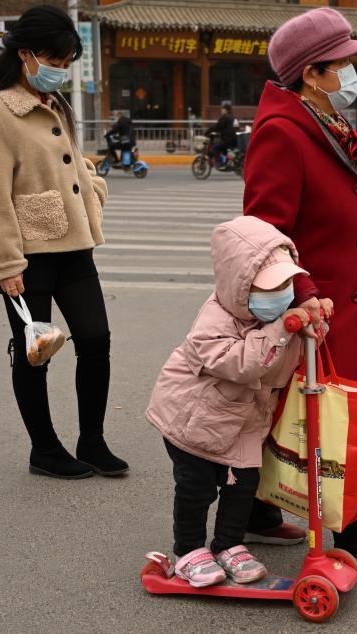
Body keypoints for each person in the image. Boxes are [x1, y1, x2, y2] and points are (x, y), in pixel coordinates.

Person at [241, 7, 357, 575]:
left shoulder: (323, 124)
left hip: (337, 300)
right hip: (310, 306)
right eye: (343, 62)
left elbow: (343, 219)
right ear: (313, 74)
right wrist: (306, 294)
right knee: (329, 412)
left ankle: (255, 511)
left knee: (290, 407)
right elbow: (265, 236)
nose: (351, 72)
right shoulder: (282, 135)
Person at [0, 5, 128, 479]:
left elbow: (71, 161)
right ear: (25, 55)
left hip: (75, 246)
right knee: (35, 351)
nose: (60, 68)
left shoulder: (55, 102)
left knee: (95, 339)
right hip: (27, 254)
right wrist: (4, 263)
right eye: (54, 58)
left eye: (66, 60)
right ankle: (45, 449)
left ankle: (92, 441)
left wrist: (92, 191)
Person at [145, 216, 316, 587]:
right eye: (270, 287)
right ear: (239, 286)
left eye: (288, 284)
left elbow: (288, 356)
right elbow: (242, 363)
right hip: (194, 421)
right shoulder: (215, 318)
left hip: (244, 419)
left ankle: (229, 544)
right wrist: (281, 328)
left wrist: (312, 324)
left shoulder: (277, 317)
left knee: (243, 485)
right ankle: (188, 549)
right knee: (197, 488)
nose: (283, 293)